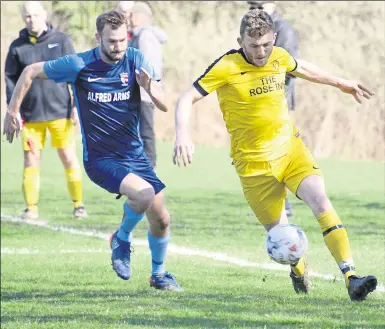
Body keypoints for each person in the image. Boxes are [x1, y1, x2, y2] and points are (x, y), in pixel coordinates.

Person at [172, 9, 377, 301]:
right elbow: (186, 98)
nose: (261, 51)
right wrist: (182, 133)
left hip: (290, 151)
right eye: (254, 46)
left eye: (266, 44)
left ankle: (351, 277)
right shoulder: (226, 66)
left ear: (274, 38)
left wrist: (340, 82)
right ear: (239, 40)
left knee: (320, 200)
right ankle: (298, 267)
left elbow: (302, 67)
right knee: (282, 238)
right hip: (253, 167)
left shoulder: (279, 55)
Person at [3, 10, 182, 292]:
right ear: (98, 37)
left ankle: (159, 275)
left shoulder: (135, 59)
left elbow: (162, 103)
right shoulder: (78, 64)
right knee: (144, 194)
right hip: (101, 159)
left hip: (134, 155)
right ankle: (121, 239)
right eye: (111, 41)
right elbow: (29, 72)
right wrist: (12, 111)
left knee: (161, 219)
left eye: (123, 40)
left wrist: (150, 88)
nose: (118, 47)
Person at [4, 1, 87, 220]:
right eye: (27, 16)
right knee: (31, 160)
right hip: (30, 116)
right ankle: (31, 208)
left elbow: (76, 74)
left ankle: (79, 205)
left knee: (68, 156)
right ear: (24, 18)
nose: (31, 19)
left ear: (44, 15)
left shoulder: (61, 41)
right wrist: (14, 111)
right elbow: (10, 81)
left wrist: (77, 107)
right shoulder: (16, 47)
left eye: (35, 15)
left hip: (61, 112)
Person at [248, 0, 299, 217]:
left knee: (278, 154)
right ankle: (268, 202)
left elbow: (290, 68)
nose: (255, 10)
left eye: (260, 5)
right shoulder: (249, 27)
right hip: (256, 102)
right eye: (252, 6)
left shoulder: (284, 30)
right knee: (261, 155)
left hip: (278, 102)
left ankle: (283, 206)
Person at [129, 1, 168, 169]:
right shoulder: (139, 35)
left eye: (132, 14)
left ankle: (149, 169)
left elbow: (146, 65)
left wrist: (147, 89)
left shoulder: (145, 36)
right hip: (141, 91)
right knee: (140, 133)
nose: (129, 18)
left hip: (144, 92)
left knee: (145, 133)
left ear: (140, 17)